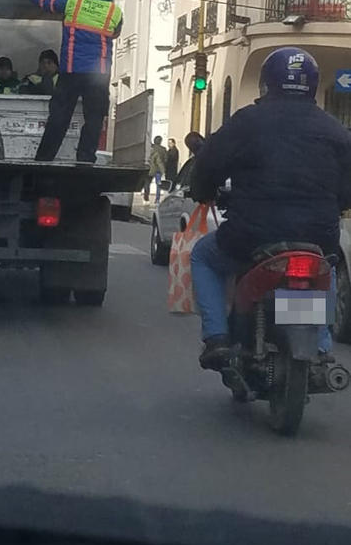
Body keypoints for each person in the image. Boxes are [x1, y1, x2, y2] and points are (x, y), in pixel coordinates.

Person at [190, 47, 351, 370]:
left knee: (202, 256)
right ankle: (320, 348)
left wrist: (203, 191)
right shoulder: (335, 129)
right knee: (326, 265)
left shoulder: (247, 121)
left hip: (252, 234)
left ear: (267, 83)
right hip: (319, 233)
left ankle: (217, 337)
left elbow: (209, 163)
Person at [23, 0, 123, 164]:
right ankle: (85, 160)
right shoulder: (115, 12)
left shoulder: (74, 0)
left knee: (59, 117)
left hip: (71, 70)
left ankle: (44, 158)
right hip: (98, 74)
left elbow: (47, 3)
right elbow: (115, 34)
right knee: (94, 118)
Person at [144, 136, 167, 203]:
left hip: (149, 170)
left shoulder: (150, 149)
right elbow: (165, 160)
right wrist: (163, 170)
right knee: (158, 185)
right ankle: (157, 199)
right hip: (158, 170)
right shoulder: (163, 149)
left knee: (147, 184)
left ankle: (146, 198)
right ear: (160, 141)